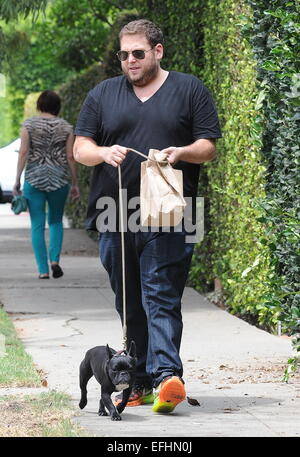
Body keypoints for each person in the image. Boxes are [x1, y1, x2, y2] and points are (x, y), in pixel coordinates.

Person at [74, 19, 221, 413]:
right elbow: (80, 148)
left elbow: (208, 146)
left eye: (137, 53)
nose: (129, 61)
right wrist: (103, 153)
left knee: (161, 295)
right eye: (123, 55)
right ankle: (135, 382)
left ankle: (167, 378)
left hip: (171, 214)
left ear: (157, 51)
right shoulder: (103, 94)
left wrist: (181, 152)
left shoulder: (189, 89)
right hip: (114, 215)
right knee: (129, 299)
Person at [13, 90, 80, 279]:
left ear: (39, 105)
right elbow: (70, 156)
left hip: (34, 179)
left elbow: (24, 152)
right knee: (56, 221)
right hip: (59, 179)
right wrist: (75, 183)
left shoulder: (28, 125)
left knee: (37, 224)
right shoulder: (66, 127)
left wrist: (18, 179)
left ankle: (43, 270)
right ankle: (55, 261)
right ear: (58, 106)